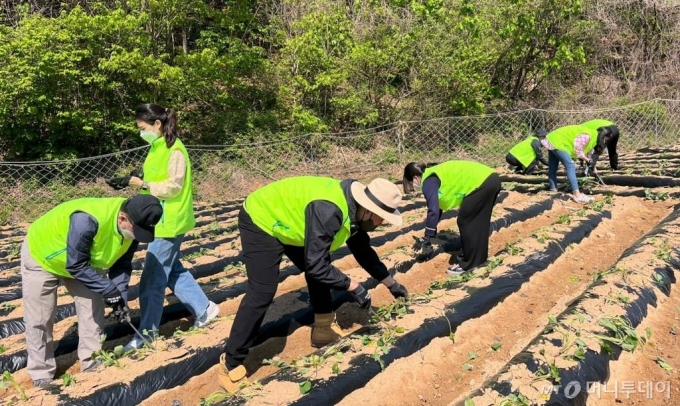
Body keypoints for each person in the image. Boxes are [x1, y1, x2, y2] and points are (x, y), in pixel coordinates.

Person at [217, 176, 408, 392]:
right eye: (382, 218)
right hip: (262, 219)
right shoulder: (330, 211)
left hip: (292, 222)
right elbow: (316, 265)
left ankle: (323, 329)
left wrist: (390, 283)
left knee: (322, 269)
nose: (382, 223)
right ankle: (230, 363)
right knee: (262, 291)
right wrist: (353, 286)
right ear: (369, 209)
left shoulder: (356, 213)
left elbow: (363, 253)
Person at [106, 103, 219, 350]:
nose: (141, 132)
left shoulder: (175, 150)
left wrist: (142, 184)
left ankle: (146, 334)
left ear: (157, 124)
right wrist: (132, 177)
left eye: (143, 128)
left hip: (170, 220)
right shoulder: (156, 147)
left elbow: (173, 187)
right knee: (172, 269)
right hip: (159, 219)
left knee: (152, 278)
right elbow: (154, 175)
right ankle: (205, 309)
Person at [22, 195, 162, 388]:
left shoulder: (133, 227)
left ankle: (92, 362)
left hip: (82, 261)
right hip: (43, 256)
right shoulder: (87, 220)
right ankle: (41, 373)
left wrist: (119, 296)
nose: (138, 235)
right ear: (122, 218)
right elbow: (75, 264)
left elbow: (121, 265)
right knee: (40, 317)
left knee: (92, 308)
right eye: (136, 230)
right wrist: (107, 288)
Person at [403, 161, 501, 276]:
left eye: (411, 184)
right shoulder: (434, 175)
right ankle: (477, 257)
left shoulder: (428, 181)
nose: (414, 188)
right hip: (490, 179)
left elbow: (433, 210)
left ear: (415, 178)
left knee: (466, 221)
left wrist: (427, 236)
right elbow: (437, 208)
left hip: (482, 183)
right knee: (477, 222)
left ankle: (470, 264)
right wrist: (430, 233)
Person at [541, 124, 615, 203]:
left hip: (553, 139)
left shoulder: (594, 137)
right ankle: (577, 195)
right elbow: (578, 150)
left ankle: (553, 190)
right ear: (604, 136)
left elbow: (589, 152)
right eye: (607, 139)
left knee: (553, 167)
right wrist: (586, 159)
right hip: (558, 141)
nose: (606, 141)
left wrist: (593, 167)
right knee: (571, 166)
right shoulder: (587, 135)